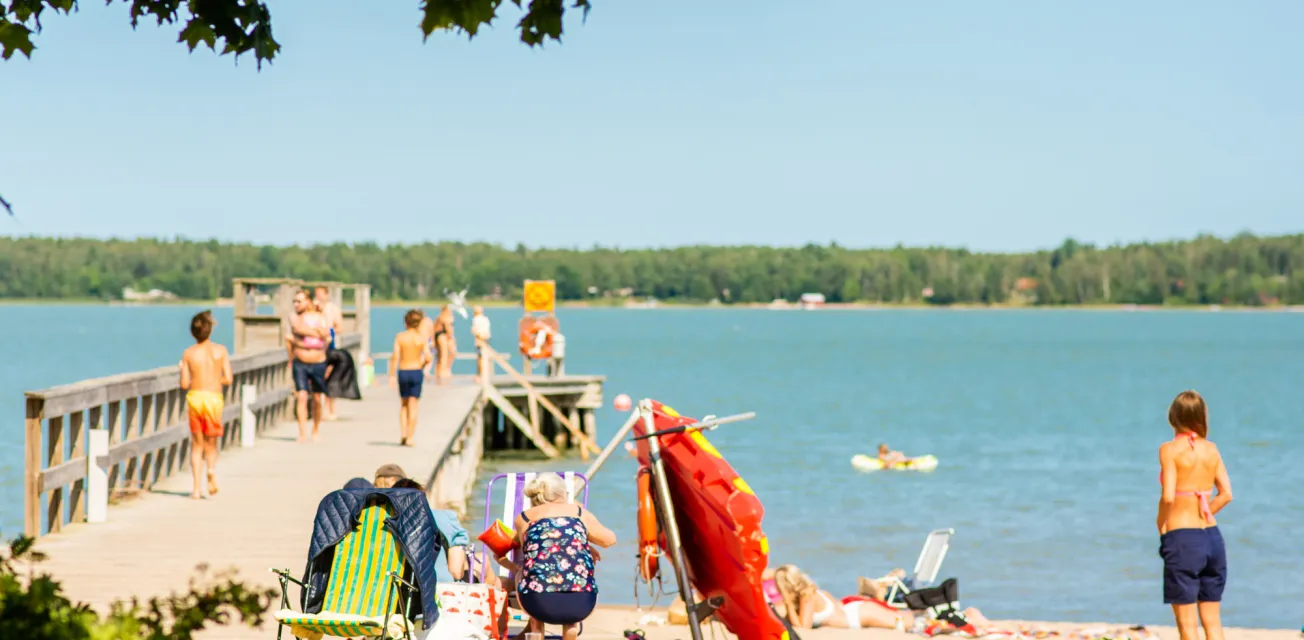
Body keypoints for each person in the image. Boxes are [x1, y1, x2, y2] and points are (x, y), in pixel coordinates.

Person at [502, 472, 615, 640]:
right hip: (580, 601)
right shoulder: (578, 512)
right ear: (563, 493)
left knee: (526, 574)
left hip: (537, 601)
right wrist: (584, 541)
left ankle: (535, 628)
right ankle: (571, 630)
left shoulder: (524, 518)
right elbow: (609, 540)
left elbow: (532, 546)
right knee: (571, 619)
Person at [1158, 390, 1232, 640]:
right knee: (1213, 622)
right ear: (1202, 416)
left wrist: (1161, 524)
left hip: (1182, 538)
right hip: (1212, 538)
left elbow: (1168, 496)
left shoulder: (1169, 450)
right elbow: (1226, 494)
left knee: (1188, 626)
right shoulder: (1211, 449)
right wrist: (1204, 509)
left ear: (1173, 417)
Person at [179, 310, 232, 500]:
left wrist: (182, 370)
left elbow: (184, 383)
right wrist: (214, 376)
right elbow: (228, 378)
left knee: (196, 445)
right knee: (211, 443)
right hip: (213, 398)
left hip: (195, 398)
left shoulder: (188, 354)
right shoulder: (221, 351)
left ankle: (195, 489)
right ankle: (210, 470)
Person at [772, 564, 914, 631]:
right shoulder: (811, 590)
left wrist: (788, 604)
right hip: (854, 609)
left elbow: (803, 627)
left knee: (909, 622)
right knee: (904, 618)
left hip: (858, 615)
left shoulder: (806, 596)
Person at [392, 478, 470, 581]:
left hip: (397, 588)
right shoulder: (444, 518)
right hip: (439, 589)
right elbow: (456, 572)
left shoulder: (386, 523)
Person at [286, 289, 331, 442]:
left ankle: (316, 429)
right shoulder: (294, 316)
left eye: (300, 301)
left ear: (309, 301)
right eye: (295, 301)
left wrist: (311, 334)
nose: (296, 304)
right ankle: (302, 432)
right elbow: (298, 329)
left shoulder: (321, 316)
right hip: (300, 362)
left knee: (317, 398)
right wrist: (315, 333)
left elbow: (327, 334)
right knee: (302, 396)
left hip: (318, 361)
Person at [389, 309, 432, 446]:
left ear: (405, 323)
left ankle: (403, 433)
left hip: (403, 370)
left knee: (404, 405)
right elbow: (428, 357)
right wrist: (422, 364)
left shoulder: (400, 337)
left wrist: (391, 375)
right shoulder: (421, 339)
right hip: (416, 371)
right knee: (414, 405)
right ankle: (410, 437)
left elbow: (395, 357)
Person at [313, 286, 345, 421]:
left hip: (331, 347)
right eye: (316, 294)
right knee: (318, 377)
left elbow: (340, 327)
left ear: (327, 294)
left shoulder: (333, 309)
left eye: (321, 294)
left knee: (330, 377)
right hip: (316, 347)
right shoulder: (313, 308)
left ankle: (330, 409)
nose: (319, 297)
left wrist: (329, 331)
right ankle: (317, 408)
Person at [435, 305, 457, 383]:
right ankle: (441, 372)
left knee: (453, 352)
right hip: (441, 335)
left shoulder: (449, 317)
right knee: (443, 354)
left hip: (448, 335)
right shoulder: (442, 317)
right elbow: (447, 327)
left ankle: (447, 369)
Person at [471, 305, 491, 382]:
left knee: (480, 358)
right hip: (486, 339)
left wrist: (479, 338)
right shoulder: (485, 319)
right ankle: (483, 374)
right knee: (484, 358)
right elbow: (487, 331)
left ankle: (480, 375)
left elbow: (475, 330)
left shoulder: (476, 319)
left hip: (480, 340)